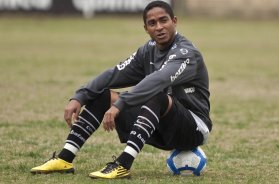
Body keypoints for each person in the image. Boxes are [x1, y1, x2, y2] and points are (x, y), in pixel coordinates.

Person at [30, 0, 212, 179]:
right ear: (146, 28)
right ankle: (64, 159)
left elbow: (158, 80)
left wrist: (121, 104)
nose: (159, 27)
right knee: (102, 94)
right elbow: (114, 74)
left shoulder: (186, 54)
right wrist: (80, 96)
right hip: (159, 127)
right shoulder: (147, 51)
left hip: (193, 129)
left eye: (163, 20)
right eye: (152, 23)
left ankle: (123, 165)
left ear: (174, 21)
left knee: (157, 95)